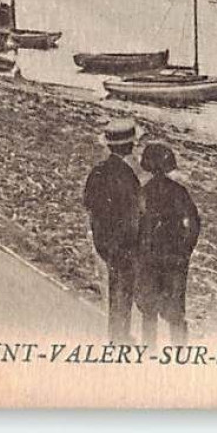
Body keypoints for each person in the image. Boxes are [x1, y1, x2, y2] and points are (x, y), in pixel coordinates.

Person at [136, 141, 201, 346]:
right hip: (174, 257)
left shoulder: (143, 192)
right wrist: (186, 249)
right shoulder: (178, 191)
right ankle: (181, 354)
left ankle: (149, 354)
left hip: (149, 257)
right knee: (176, 313)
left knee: (149, 313)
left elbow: (135, 226)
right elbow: (194, 223)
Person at [82, 117, 142, 342]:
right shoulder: (128, 177)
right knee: (122, 288)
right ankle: (119, 336)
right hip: (123, 242)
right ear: (130, 147)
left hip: (102, 239)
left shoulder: (98, 171)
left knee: (113, 285)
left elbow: (88, 203)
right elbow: (135, 213)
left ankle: (117, 333)